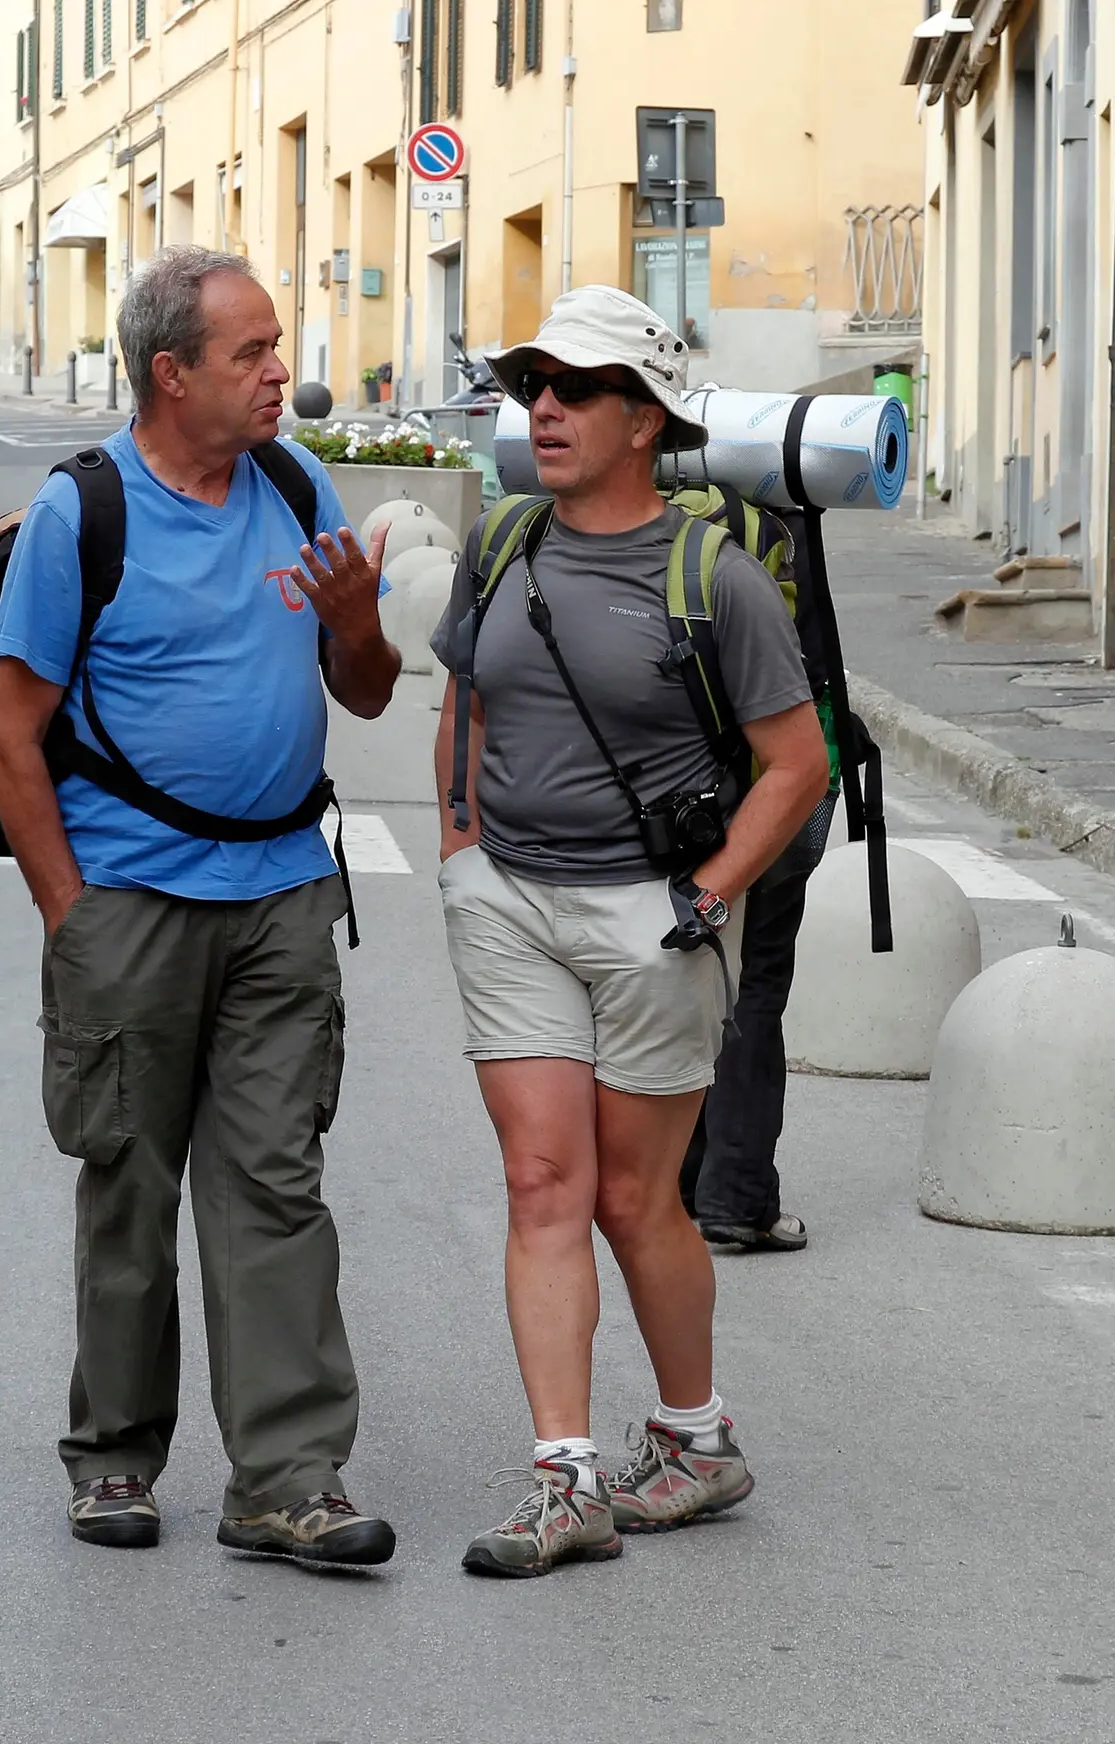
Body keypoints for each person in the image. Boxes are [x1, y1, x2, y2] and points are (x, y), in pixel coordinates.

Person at [0, 245, 403, 1569]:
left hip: (282, 895)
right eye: (251, 354)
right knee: (128, 1184)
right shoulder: (82, 514)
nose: (283, 373)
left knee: (278, 1186)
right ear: (172, 375)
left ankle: (287, 1478)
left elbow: (371, 693)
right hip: (132, 905)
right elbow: (10, 733)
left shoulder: (295, 482)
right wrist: (72, 916)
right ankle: (115, 1458)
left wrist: (357, 626)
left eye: (277, 348)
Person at [429, 285, 830, 1577]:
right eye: (532, 383)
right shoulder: (502, 544)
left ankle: (696, 1437)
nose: (543, 406)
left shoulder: (711, 575)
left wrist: (712, 893)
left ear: (646, 419)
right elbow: (467, 699)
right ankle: (566, 1477)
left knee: (629, 1194)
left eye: (577, 387)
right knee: (542, 1183)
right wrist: (460, 851)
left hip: (653, 920)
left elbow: (796, 763)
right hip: (512, 906)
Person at [678, 784, 834, 1254]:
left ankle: (685, 1181)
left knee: (689, 964)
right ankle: (736, 1196)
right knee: (753, 979)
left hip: (666, 792)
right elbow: (797, 755)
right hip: (758, 793)